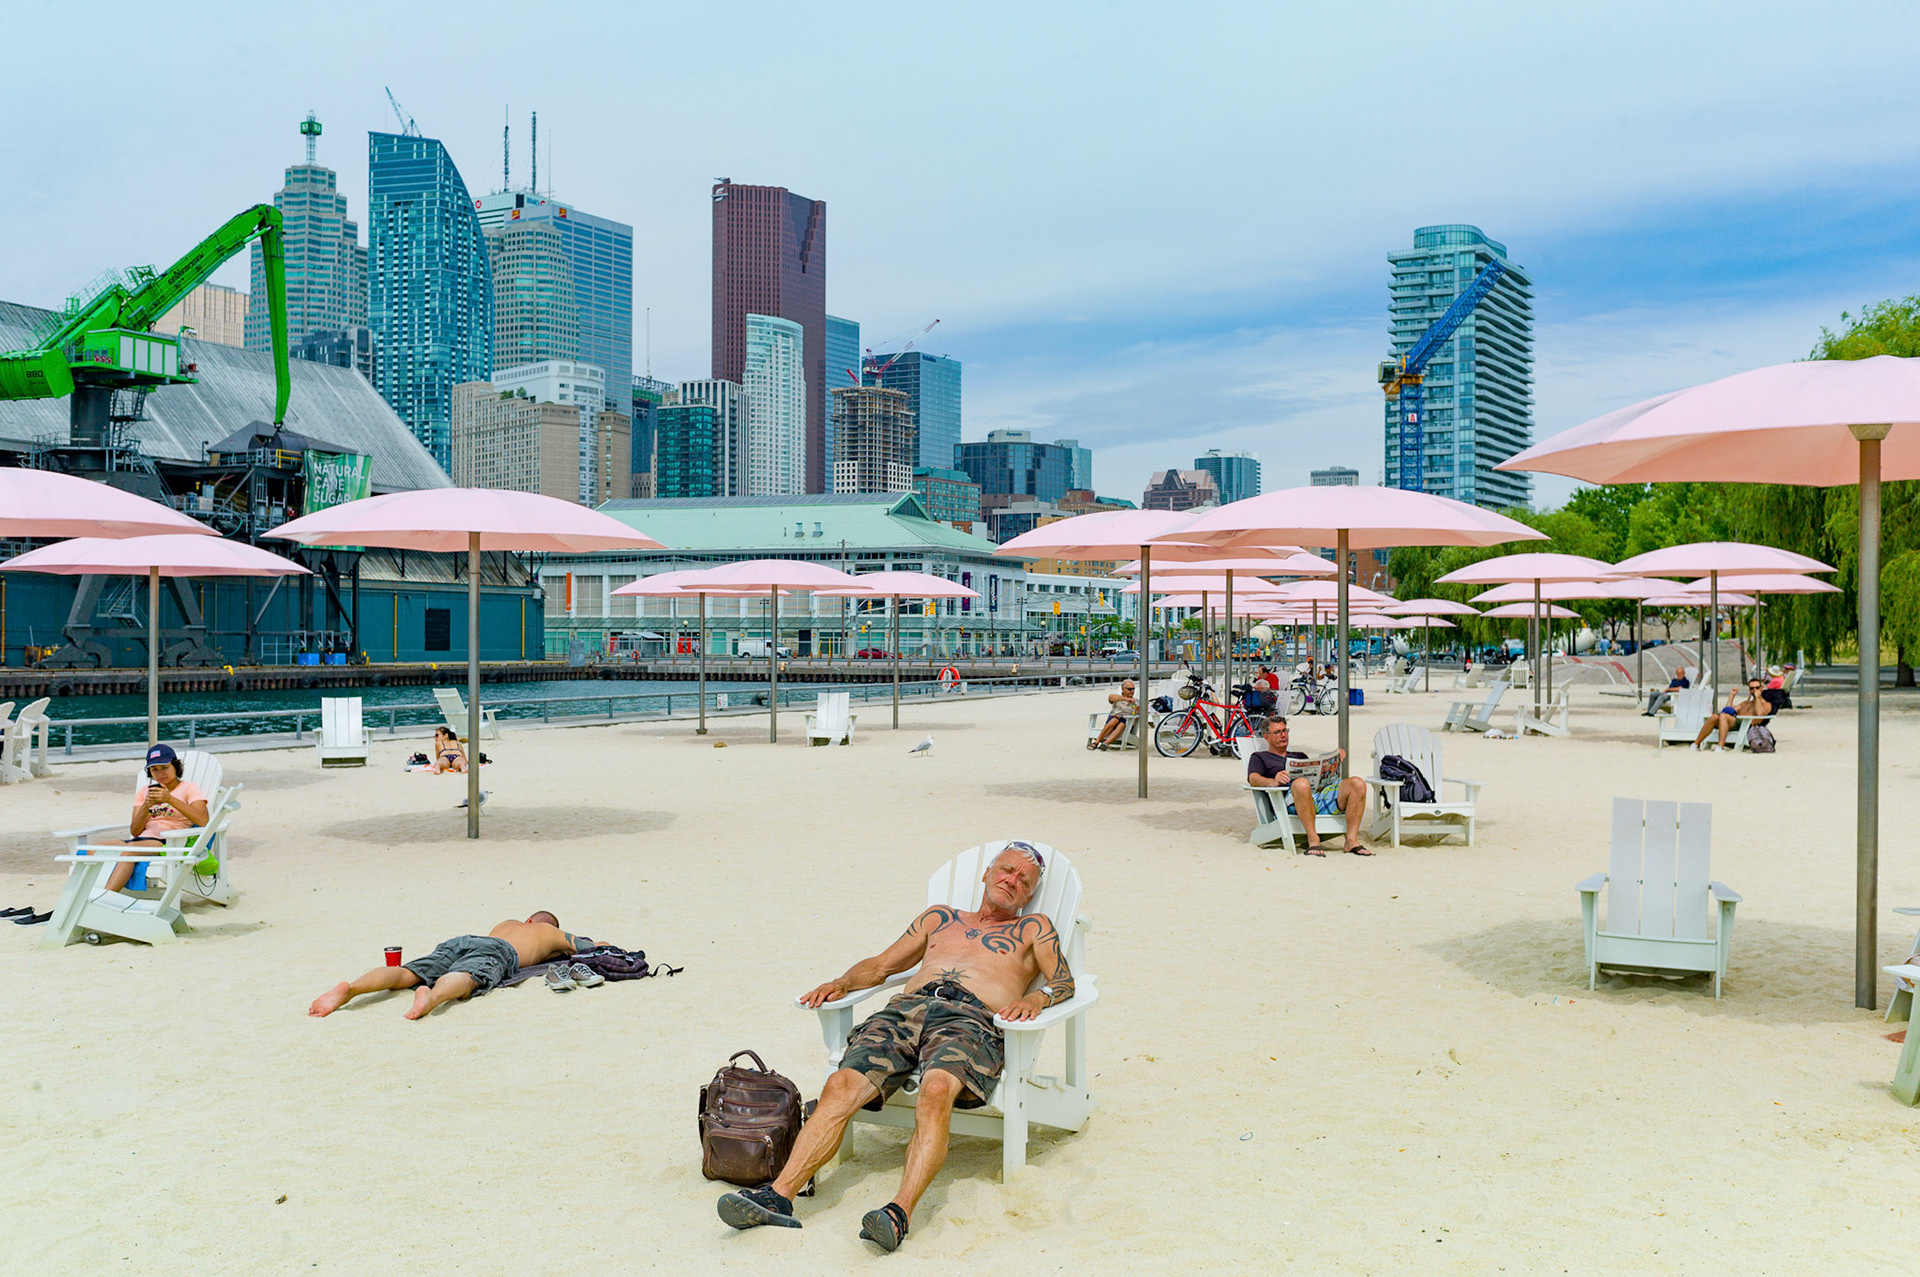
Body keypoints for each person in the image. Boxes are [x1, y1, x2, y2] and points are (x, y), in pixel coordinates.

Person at [717, 842, 1073, 1252]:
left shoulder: (1033, 928)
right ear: (987, 873)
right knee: (839, 1086)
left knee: (936, 1090)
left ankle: (897, 1213)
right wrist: (842, 983)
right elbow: (883, 966)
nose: (1012, 880)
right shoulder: (939, 918)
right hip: (904, 1010)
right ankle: (777, 1196)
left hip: (970, 1020)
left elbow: (1063, 982)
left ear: (1029, 895)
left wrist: (1036, 999)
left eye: (1023, 880)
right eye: (1006, 870)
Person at [308, 913, 589, 1020]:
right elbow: (588, 946)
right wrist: (565, 944)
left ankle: (352, 989)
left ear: (527, 920)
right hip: (501, 952)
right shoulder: (552, 933)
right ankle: (432, 998)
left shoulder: (507, 923)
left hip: (466, 939)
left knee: (408, 972)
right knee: (467, 976)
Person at [87, 744, 211, 892]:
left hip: (168, 843)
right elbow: (135, 831)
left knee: (129, 850)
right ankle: (85, 896)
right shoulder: (145, 792)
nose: (160, 773)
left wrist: (170, 799)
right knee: (92, 850)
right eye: (154, 769)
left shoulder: (188, 788)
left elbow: (203, 820)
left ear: (175, 766)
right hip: (141, 840)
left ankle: (106, 897)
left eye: (164, 767)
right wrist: (146, 806)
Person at [1244, 716, 1370, 855]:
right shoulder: (1260, 757)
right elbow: (1253, 778)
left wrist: (1333, 760)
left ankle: (1351, 841)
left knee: (1357, 783)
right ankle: (1313, 840)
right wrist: (1273, 781)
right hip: (1290, 802)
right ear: (1266, 737)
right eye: (1278, 732)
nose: (1283, 735)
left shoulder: (1299, 755)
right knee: (1301, 783)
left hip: (1316, 797)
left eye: (1285, 731)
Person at [1692, 677, 1774, 750]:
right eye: (1752, 688)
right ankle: (1696, 744)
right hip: (1735, 722)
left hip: (1746, 726)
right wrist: (1731, 696)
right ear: (1749, 690)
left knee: (1723, 716)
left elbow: (1760, 714)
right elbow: (1728, 710)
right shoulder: (1745, 703)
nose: (1754, 690)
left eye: (1757, 688)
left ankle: (1720, 746)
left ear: (1761, 688)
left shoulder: (1766, 704)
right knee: (1714, 717)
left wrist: (1758, 698)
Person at [1090, 679, 1138, 748]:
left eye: (1133, 689)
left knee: (1121, 724)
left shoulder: (1137, 701)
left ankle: (1104, 743)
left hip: (1126, 722)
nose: (1132, 691)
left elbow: (1143, 712)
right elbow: (1110, 696)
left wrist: (1138, 710)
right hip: (1113, 719)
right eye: (1129, 689)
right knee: (1114, 720)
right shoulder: (1117, 698)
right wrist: (1125, 699)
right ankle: (1098, 742)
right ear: (1123, 689)